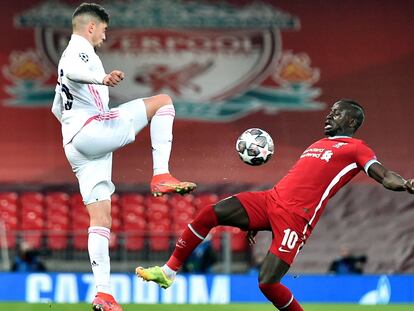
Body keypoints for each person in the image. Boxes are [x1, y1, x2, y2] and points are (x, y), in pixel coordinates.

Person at [135, 99, 414, 310]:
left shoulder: (357, 148)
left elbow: (384, 175)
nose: (329, 115)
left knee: (267, 282)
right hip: (270, 200)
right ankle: (169, 271)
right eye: (330, 110)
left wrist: (406, 184)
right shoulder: (318, 143)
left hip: (295, 219)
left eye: (337, 112)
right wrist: (258, 221)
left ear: (351, 123)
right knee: (210, 213)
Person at [51, 3, 196, 310]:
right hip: (91, 131)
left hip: (77, 145)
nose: (104, 36)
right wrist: (101, 79)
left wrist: (73, 125)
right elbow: (68, 71)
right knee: (163, 101)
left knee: (101, 219)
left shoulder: (80, 51)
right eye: (103, 30)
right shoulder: (79, 49)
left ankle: (103, 293)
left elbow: (56, 107)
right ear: (91, 27)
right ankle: (161, 175)